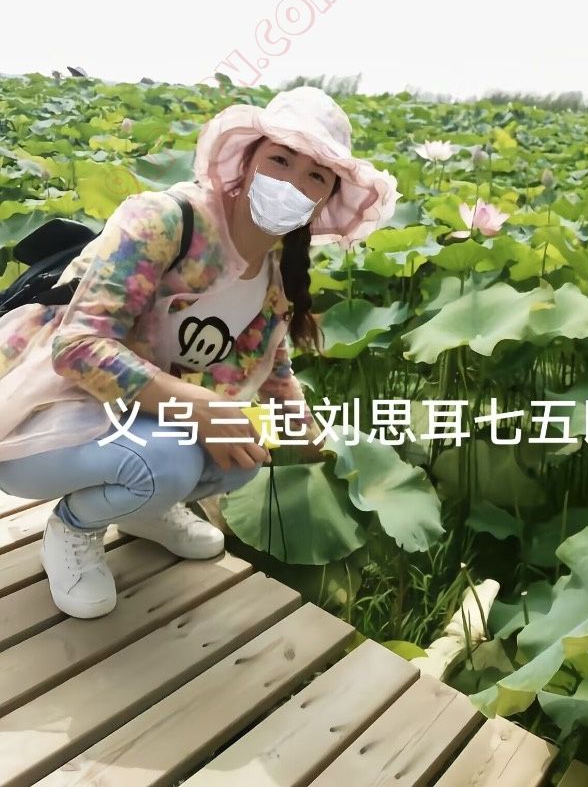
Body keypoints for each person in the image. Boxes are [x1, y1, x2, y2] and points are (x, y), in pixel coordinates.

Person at [0, 85, 401, 620]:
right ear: (248, 160)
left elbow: (273, 366)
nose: (292, 183)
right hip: (42, 410)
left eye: (315, 176)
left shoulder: (273, 271)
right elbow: (76, 348)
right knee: (169, 458)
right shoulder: (165, 220)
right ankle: (74, 527)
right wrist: (197, 406)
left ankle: (144, 510)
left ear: (325, 198)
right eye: (280, 160)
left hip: (132, 416)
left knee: (242, 453)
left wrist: (309, 435)